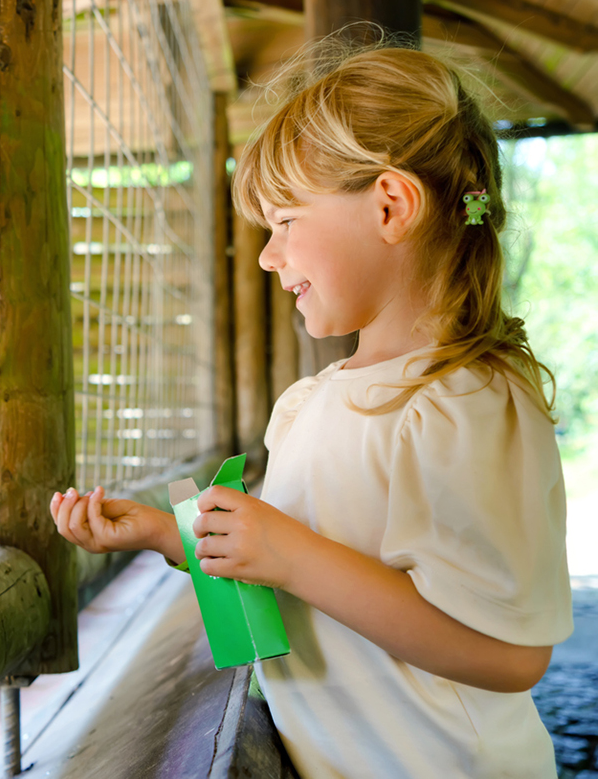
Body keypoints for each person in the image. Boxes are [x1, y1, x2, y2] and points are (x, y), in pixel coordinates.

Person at [49, 45, 572, 779]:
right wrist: (172, 536)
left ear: (390, 206)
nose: (268, 257)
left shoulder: (466, 402)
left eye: (286, 221)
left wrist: (291, 556)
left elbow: (512, 657)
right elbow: (293, 561)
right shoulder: (308, 405)